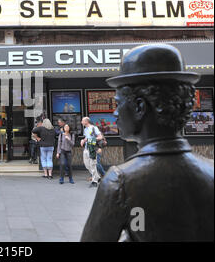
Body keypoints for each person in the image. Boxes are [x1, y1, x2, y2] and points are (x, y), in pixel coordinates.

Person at [81, 44, 214, 241]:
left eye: (118, 104)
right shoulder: (211, 171)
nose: (115, 113)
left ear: (140, 107)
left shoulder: (120, 182)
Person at [81, 117, 103, 188]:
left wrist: (90, 139)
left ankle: (94, 181)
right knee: (87, 165)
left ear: (86, 121)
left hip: (93, 148)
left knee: (93, 164)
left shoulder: (94, 128)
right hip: (86, 148)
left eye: (82, 121)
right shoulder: (85, 129)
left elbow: (100, 137)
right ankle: (98, 177)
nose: (81, 122)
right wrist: (83, 140)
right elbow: (86, 138)